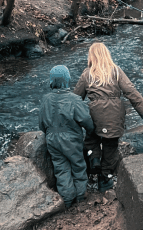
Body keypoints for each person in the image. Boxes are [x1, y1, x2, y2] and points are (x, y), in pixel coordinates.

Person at [74, 42, 143, 192]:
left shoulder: (87, 74)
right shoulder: (116, 71)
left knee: (91, 138)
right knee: (111, 146)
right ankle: (105, 179)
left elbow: (76, 98)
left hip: (94, 113)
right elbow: (131, 92)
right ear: (107, 55)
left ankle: (94, 158)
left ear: (91, 57)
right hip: (114, 114)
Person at [38, 65, 95, 208]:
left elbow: (41, 124)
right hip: (71, 140)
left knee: (61, 169)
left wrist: (49, 134)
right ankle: (81, 196)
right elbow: (86, 121)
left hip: (52, 139)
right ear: (67, 79)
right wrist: (90, 132)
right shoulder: (75, 100)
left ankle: (68, 199)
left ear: (52, 81)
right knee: (78, 166)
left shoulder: (45, 99)